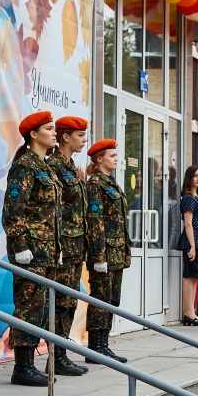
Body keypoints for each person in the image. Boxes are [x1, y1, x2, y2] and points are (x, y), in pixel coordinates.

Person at [3, 111, 62, 387]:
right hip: (30, 251)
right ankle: (22, 366)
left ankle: (29, 363)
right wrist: (20, 245)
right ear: (34, 135)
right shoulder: (25, 166)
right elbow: (13, 210)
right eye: (49, 129)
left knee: (39, 308)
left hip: (46, 251)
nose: (54, 133)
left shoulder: (45, 167)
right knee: (28, 307)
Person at [48, 116, 90, 376]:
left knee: (69, 301)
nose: (84, 140)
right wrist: (59, 245)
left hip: (75, 246)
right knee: (60, 302)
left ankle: (61, 354)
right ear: (65, 137)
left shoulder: (72, 167)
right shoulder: (54, 166)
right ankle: (55, 356)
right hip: (62, 245)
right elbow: (52, 209)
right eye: (80, 135)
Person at [84, 139, 131, 363]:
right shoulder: (95, 184)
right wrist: (99, 256)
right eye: (112, 156)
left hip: (116, 253)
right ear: (99, 158)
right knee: (101, 298)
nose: (116, 159)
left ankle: (104, 345)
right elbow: (95, 221)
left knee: (112, 299)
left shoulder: (111, 183)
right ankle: (96, 347)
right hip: (104, 254)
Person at [177, 166, 198, 326]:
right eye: (195, 176)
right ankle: (188, 313)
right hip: (192, 240)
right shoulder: (188, 198)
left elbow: (197, 220)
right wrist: (192, 246)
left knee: (195, 277)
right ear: (189, 178)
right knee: (190, 276)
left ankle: (192, 311)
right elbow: (188, 224)